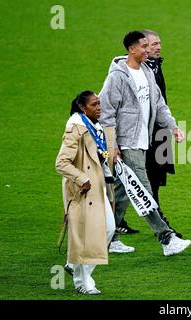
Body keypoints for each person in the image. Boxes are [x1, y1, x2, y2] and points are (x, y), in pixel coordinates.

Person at [99, 30, 191, 256]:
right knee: (143, 189)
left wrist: (173, 127)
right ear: (132, 49)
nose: (148, 50)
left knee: (123, 192)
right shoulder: (118, 77)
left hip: (143, 140)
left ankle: (108, 238)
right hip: (126, 142)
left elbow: (159, 105)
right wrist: (112, 145)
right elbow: (106, 113)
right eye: (144, 46)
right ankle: (166, 238)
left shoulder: (147, 72)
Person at [55, 90, 116, 294]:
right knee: (86, 236)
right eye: (94, 105)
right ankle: (83, 282)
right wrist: (82, 179)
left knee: (108, 228)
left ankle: (75, 267)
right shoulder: (75, 128)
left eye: (99, 104)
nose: (99, 108)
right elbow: (61, 163)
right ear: (82, 107)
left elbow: (99, 152)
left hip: (98, 186)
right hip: (83, 190)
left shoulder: (95, 125)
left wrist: (111, 158)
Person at [141, 29, 181, 238]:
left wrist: (170, 127)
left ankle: (118, 220)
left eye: (158, 43)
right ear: (142, 47)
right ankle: (159, 221)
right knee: (145, 176)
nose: (158, 47)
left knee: (156, 175)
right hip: (144, 132)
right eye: (153, 44)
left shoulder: (155, 66)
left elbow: (160, 102)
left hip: (160, 130)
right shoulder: (136, 71)